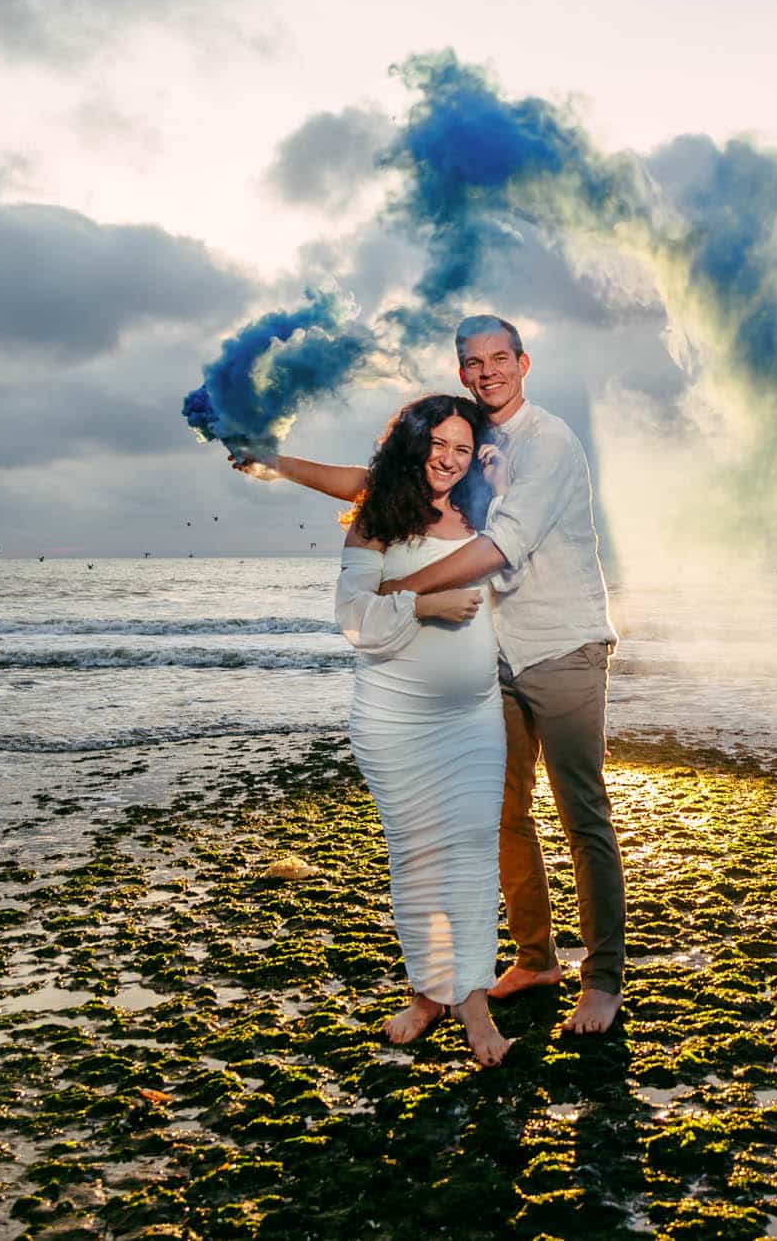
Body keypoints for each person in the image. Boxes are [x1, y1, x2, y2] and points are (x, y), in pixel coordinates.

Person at [241, 315, 624, 1036]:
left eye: (500, 358)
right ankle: (537, 957)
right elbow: (378, 484)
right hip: (494, 661)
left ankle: (602, 980)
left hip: (563, 644)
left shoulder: (549, 442)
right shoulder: (466, 437)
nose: (487, 372)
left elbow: (499, 548)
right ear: (461, 371)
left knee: (582, 812)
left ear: (523, 362)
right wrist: (278, 462)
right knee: (504, 815)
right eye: (472, 361)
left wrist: (394, 595)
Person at [332, 393, 514, 1066]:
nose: (449, 457)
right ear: (412, 443)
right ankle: (425, 994)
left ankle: (472, 1004)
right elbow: (351, 616)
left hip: (474, 715)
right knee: (416, 858)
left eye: (463, 447)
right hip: (394, 720)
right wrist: (424, 603)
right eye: (438, 442)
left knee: (470, 853)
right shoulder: (377, 517)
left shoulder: (482, 512)